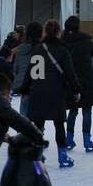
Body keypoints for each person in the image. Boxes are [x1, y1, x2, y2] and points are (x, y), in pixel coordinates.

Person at [25, 19, 81, 169]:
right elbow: (70, 72)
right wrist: (76, 89)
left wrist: (25, 89)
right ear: (58, 32)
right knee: (58, 124)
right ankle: (62, 156)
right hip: (56, 91)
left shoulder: (37, 49)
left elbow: (29, 72)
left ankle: (37, 155)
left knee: (38, 125)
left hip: (37, 91)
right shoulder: (63, 50)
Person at [61, 15, 93, 153]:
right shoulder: (86, 40)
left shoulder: (63, 41)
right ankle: (87, 141)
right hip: (87, 79)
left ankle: (68, 139)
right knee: (87, 110)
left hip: (72, 79)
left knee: (73, 110)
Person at [10, 21, 41, 117]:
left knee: (24, 106)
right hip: (38, 82)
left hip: (23, 83)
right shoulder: (42, 48)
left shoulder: (21, 48)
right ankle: (37, 129)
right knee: (38, 109)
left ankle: (23, 128)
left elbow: (15, 68)